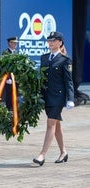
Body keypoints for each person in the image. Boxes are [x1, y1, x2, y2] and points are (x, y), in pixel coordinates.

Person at [33, 31, 75, 166]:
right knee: (56, 125)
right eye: (49, 41)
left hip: (58, 96)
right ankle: (63, 152)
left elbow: (68, 81)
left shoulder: (65, 60)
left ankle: (42, 154)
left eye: (53, 40)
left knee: (50, 123)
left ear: (60, 42)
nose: (50, 43)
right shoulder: (44, 57)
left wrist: (70, 98)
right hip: (47, 96)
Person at [2, 36, 19, 110]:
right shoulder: (5, 53)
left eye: (16, 43)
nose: (15, 44)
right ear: (9, 43)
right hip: (8, 79)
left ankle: (14, 110)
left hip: (15, 78)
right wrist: (7, 78)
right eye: (13, 43)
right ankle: (9, 110)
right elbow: (4, 67)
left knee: (15, 95)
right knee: (9, 95)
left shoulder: (16, 52)